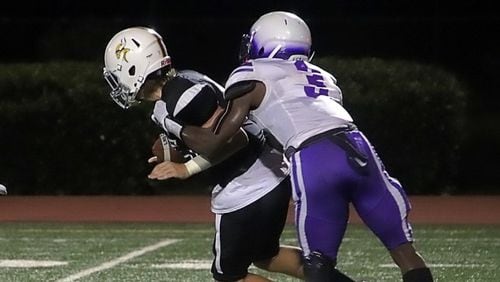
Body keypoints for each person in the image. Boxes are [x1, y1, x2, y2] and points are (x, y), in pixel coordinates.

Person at [151, 11, 434, 282]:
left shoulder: (251, 73)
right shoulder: (324, 77)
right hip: (359, 147)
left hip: (315, 157)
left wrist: (170, 122)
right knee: (405, 252)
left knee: (318, 265)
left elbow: (215, 141)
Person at [103, 26, 304, 282]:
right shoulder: (185, 81)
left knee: (229, 276)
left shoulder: (181, 97)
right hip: (268, 174)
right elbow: (216, 135)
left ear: (133, 69)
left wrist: (186, 168)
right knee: (266, 254)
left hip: (248, 186)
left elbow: (234, 138)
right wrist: (179, 151)